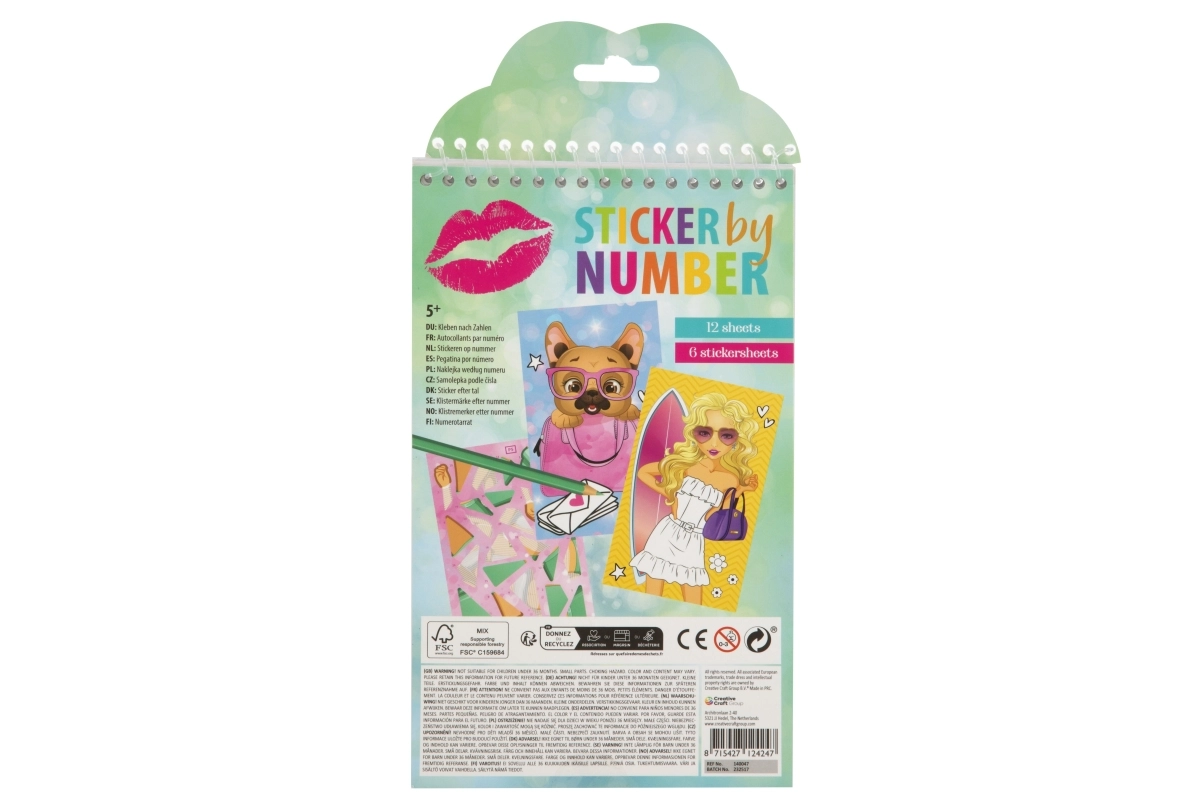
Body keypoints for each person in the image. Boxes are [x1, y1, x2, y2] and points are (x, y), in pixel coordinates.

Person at [629, 393, 760, 604]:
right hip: (667, 532)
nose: (714, 443)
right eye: (704, 433)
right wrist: (670, 494)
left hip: (694, 540)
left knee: (693, 598)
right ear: (693, 433)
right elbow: (643, 472)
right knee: (652, 591)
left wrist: (741, 490)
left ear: (737, 439)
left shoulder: (730, 479)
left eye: (726, 435)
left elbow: (716, 515)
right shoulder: (686, 465)